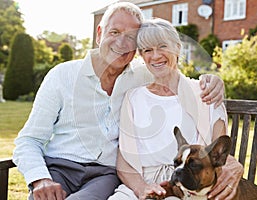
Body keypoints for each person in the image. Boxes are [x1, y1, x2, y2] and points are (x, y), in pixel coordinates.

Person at [12, 2, 226, 200]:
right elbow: (29, 140)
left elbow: (170, 72)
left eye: (131, 37)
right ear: (99, 34)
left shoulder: (142, 74)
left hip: (104, 175)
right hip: (59, 168)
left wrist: (214, 80)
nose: (122, 43)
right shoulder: (62, 76)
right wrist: (40, 178)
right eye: (114, 32)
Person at [109, 18, 243, 200]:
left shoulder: (205, 92)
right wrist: (142, 189)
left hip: (188, 187)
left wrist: (235, 165)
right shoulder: (133, 97)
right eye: (148, 50)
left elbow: (220, 154)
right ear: (142, 55)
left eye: (162, 46)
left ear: (177, 48)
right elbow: (124, 160)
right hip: (140, 185)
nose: (155, 56)